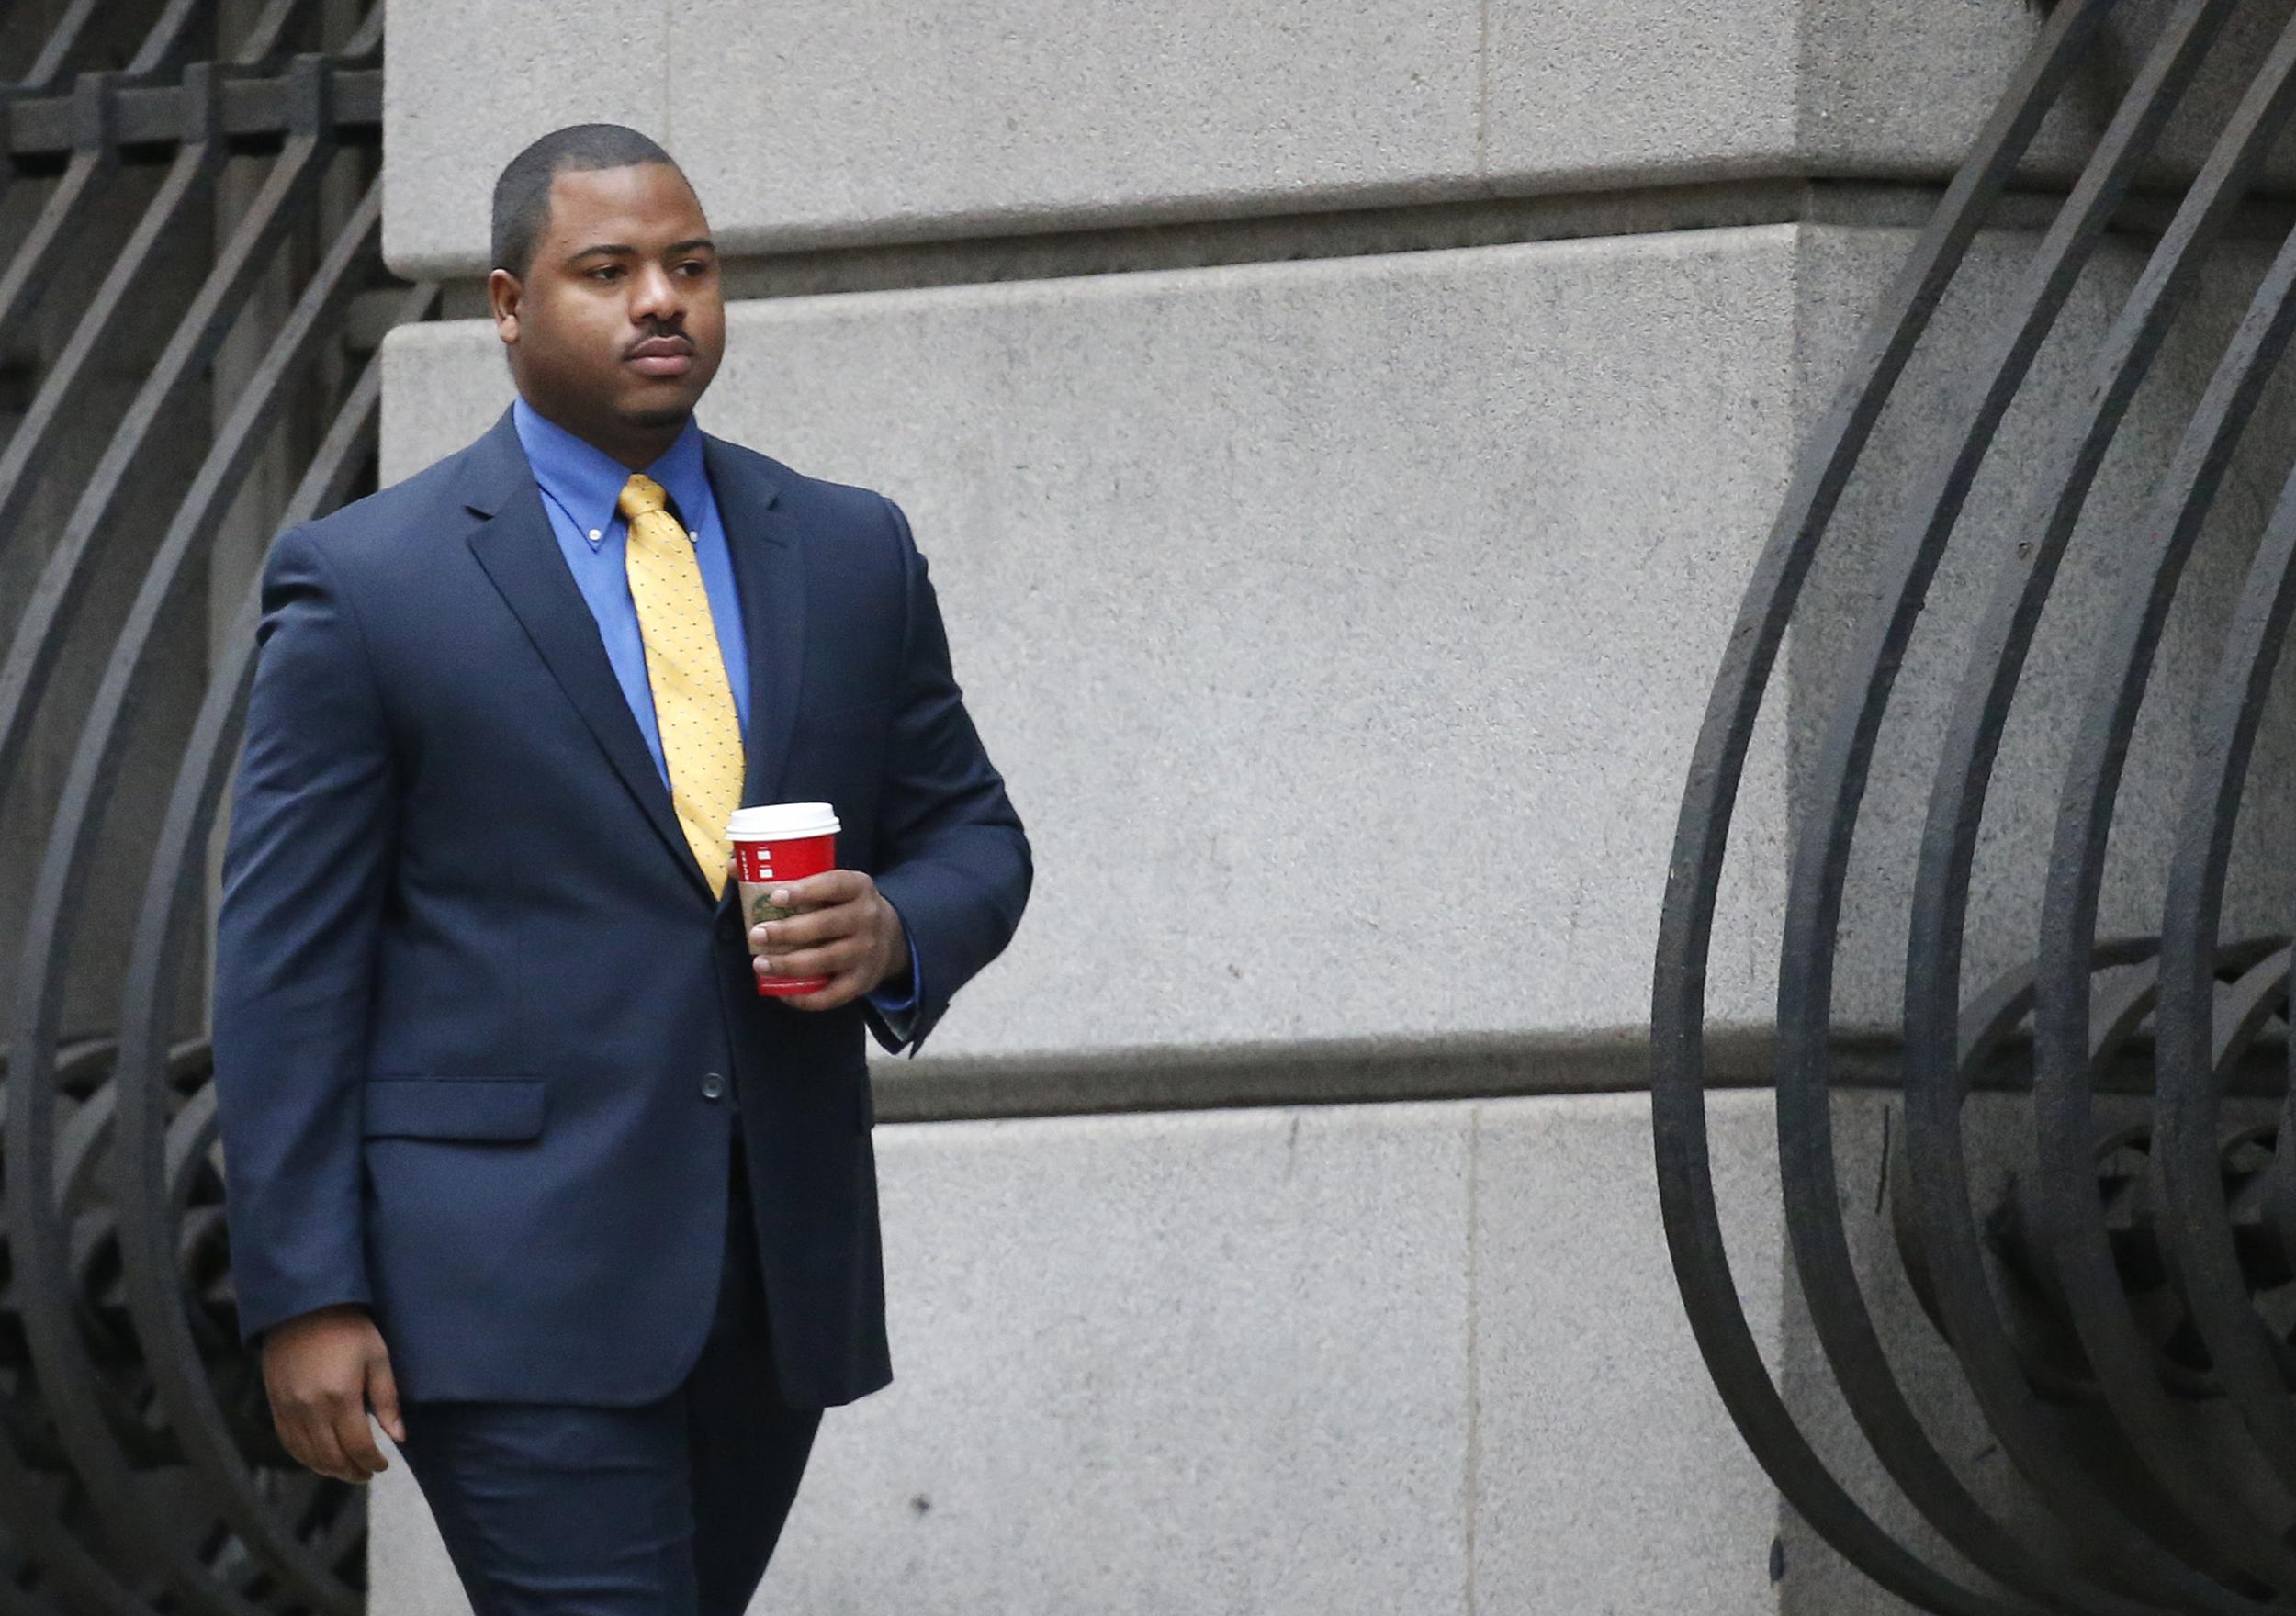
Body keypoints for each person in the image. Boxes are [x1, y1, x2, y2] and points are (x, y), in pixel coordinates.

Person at [208, 122, 1030, 1613]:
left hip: (773, 1277)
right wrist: (305, 1293)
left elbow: (977, 832)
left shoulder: (848, 550)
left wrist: (896, 926)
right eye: (609, 270)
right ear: (512, 305)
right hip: (503, 1289)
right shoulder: (371, 582)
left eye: (691, 266)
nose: (662, 300)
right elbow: (284, 970)